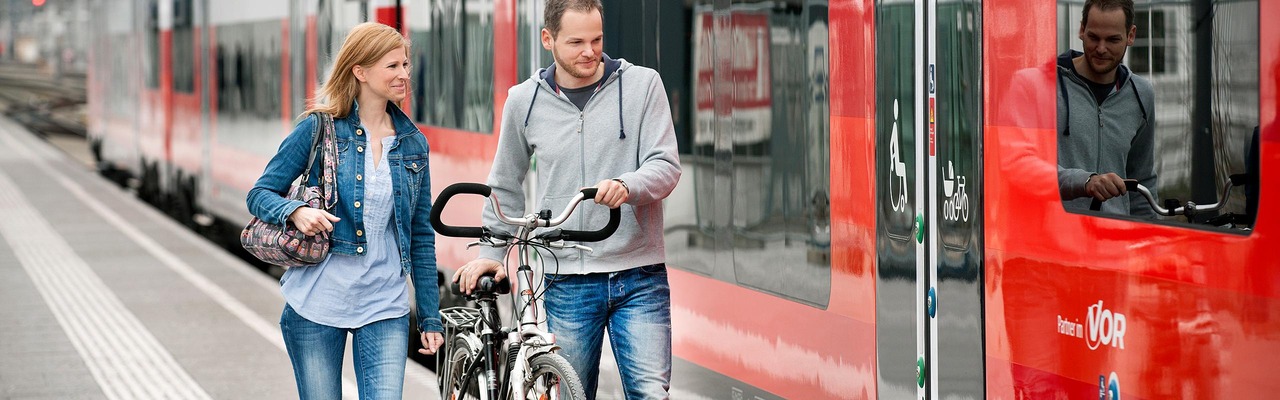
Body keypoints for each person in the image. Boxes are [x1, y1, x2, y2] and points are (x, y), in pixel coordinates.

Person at [451, 0, 682, 398]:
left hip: (639, 274)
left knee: (650, 393)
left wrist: (628, 185)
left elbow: (665, 165)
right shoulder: (524, 101)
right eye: (576, 42)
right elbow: (506, 182)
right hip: (569, 277)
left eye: (597, 39)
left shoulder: (643, 85)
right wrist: (491, 251)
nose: (589, 51)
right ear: (548, 39)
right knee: (573, 394)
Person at [245, 22, 443, 399]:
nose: (404, 74)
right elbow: (259, 194)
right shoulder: (319, 128)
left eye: (405, 65)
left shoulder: (413, 144)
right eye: (392, 66)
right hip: (318, 301)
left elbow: (420, 235)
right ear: (360, 71)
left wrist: (430, 316)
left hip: (384, 303)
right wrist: (295, 211)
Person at [1056, 0, 1157, 217]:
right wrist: (1085, 181)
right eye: (1093, 37)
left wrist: (1148, 240)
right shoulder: (1046, 85)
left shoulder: (1141, 95)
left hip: (1115, 240)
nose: (1101, 49)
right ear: (1082, 29)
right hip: (1056, 235)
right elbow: (1026, 166)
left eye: (1112, 40)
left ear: (1131, 35)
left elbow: (1142, 180)